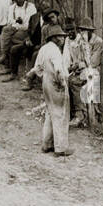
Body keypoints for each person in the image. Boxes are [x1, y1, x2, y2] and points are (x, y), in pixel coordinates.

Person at [23, 21, 72, 156]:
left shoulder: (44, 49)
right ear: (55, 38)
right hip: (56, 84)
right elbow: (58, 69)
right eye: (61, 37)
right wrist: (62, 83)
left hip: (46, 83)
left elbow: (37, 67)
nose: (63, 39)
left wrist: (32, 75)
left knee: (50, 113)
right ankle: (61, 148)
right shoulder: (55, 50)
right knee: (60, 114)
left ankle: (47, 144)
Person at [0, 0, 38, 82]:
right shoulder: (12, 8)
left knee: (9, 37)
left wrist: (16, 24)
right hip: (15, 29)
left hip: (26, 31)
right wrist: (16, 23)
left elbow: (29, 24)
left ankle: (7, 62)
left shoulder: (30, 7)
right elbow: (9, 21)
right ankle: (8, 65)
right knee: (6, 30)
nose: (19, 0)